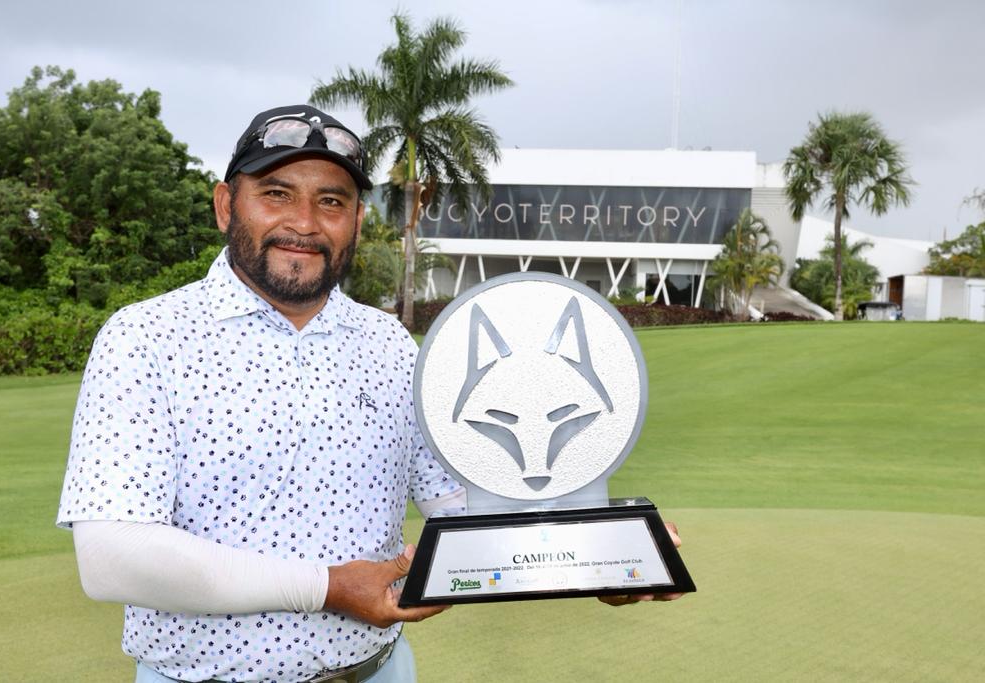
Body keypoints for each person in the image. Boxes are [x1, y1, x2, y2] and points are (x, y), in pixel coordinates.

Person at [58, 103, 684, 683]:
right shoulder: (146, 337)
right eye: (276, 195)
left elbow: (463, 505)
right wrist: (328, 587)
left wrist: (594, 555)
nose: (304, 224)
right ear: (226, 205)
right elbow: (114, 557)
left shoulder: (389, 343)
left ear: (357, 221)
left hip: (379, 671)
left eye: (332, 201)